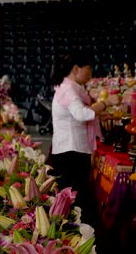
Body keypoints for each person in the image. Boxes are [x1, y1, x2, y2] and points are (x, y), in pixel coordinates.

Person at [51, 51, 119, 225]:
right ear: (76, 69)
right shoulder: (69, 89)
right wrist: (106, 103)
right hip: (71, 151)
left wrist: (98, 110)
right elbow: (81, 114)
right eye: (88, 68)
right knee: (75, 199)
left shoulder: (69, 88)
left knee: (72, 198)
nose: (91, 72)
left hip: (69, 149)